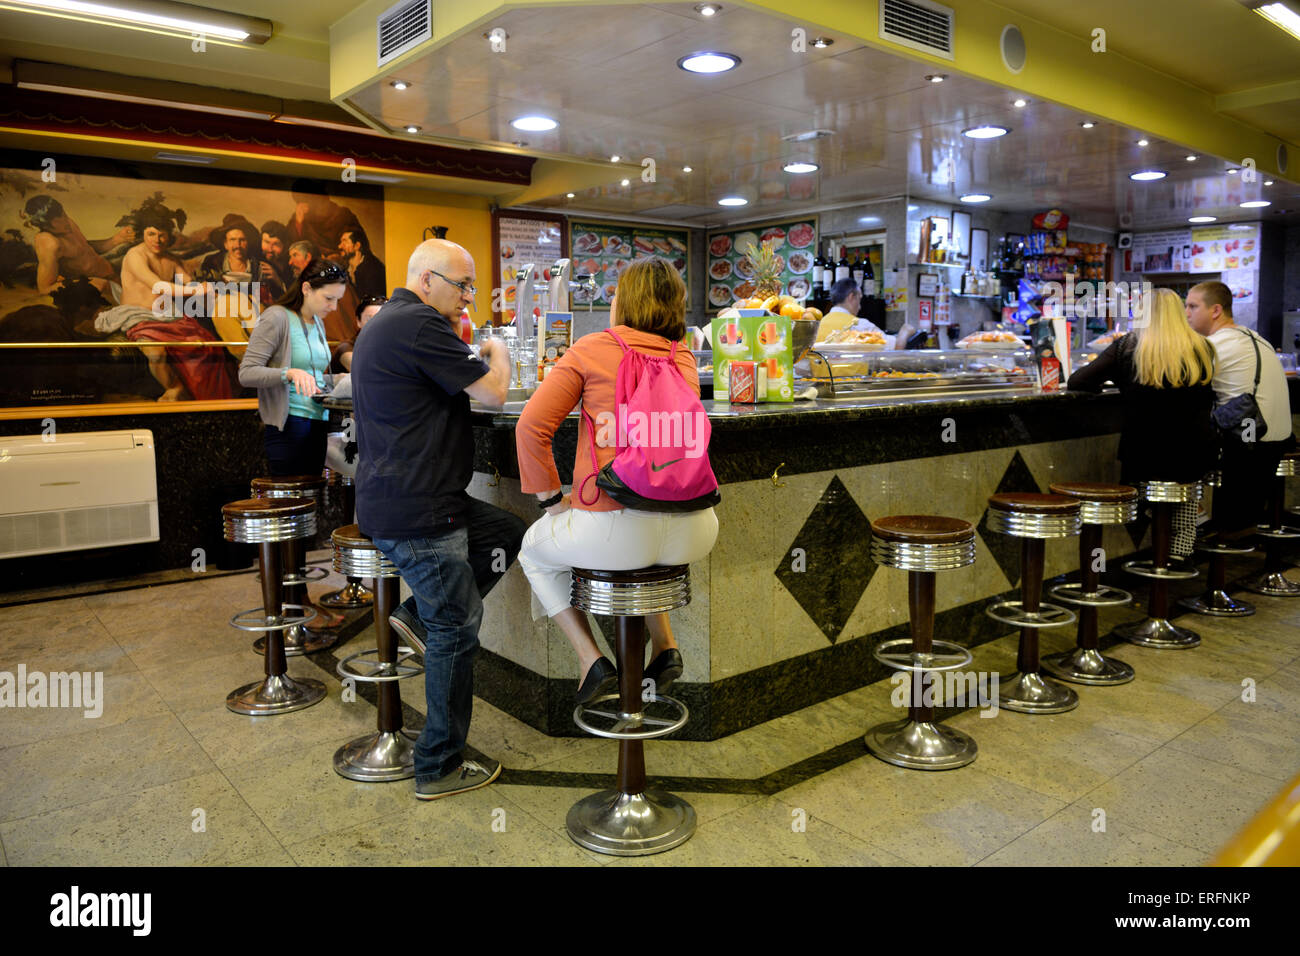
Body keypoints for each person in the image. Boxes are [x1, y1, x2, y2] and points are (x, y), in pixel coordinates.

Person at [351, 238, 524, 800]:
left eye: (473, 286)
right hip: (419, 510)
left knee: (505, 533)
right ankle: (439, 766)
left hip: (398, 498)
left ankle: (417, 617)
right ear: (426, 280)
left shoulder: (390, 323)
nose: (470, 297)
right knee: (458, 627)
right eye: (463, 285)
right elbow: (495, 395)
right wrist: (498, 349)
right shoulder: (421, 325)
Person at [514, 258, 719, 704]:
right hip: (696, 526)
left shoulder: (591, 348)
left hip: (612, 527)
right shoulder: (681, 355)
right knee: (644, 540)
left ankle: (592, 661)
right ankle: (666, 646)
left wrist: (552, 503)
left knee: (532, 551)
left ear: (621, 300)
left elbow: (530, 427)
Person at [1068, 287, 1217, 556]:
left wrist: (1118, 382)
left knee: (1150, 493)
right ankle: (1175, 556)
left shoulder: (1127, 346)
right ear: (1180, 314)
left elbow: (1078, 382)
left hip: (1144, 458)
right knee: (1183, 499)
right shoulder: (1203, 347)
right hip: (1194, 457)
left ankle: (1155, 557)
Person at [1185, 281, 1295, 536]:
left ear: (1215, 311)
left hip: (1249, 446)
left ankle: (1196, 523)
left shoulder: (1213, 345)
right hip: (1277, 441)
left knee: (1167, 446)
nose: (1186, 313)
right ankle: (1205, 523)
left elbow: (1178, 383)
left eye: (1192, 306)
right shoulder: (1257, 338)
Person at [118, 209, 234, 400]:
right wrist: (197, 290)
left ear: (169, 236)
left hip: (171, 318)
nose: (157, 240)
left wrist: (213, 289)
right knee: (156, 354)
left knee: (208, 346)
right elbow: (158, 286)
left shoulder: (171, 260)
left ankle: (211, 400)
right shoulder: (135, 255)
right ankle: (173, 387)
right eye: (151, 234)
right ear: (143, 234)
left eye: (162, 234)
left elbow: (189, 283)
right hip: (139, 317)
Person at [23, 195, 133, 296]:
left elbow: (85, 249)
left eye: (64, 215)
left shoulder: (67, 223)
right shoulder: (49, 243)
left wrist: (115, 240)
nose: (66, 222)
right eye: (59, 222)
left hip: (114, 277)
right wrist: (88, 284)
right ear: (46, 226)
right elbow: (44, 288)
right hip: (105, 290)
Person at [817, 277, 887, 342]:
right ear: (851, 297)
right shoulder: (860, 325)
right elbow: (895, 345)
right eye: (859, 299)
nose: (859, 307)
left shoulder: (818, 326)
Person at [196, 216, 261, 283]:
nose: (238, 245)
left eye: (242, 240)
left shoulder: (257, 266)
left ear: (248, 242)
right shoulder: (211, 263)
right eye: (232, 240)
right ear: (225, 244)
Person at [330, 294, 385, 373]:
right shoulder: (346, 348)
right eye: (370, 319)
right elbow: (364, 372)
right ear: (358, 321)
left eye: (382, 319)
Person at [338, 227, 387, 300]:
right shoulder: (345, 270)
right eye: (340, 242)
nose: (339, 246)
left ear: (357, 246)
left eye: (344, 242)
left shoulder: (374, 268)